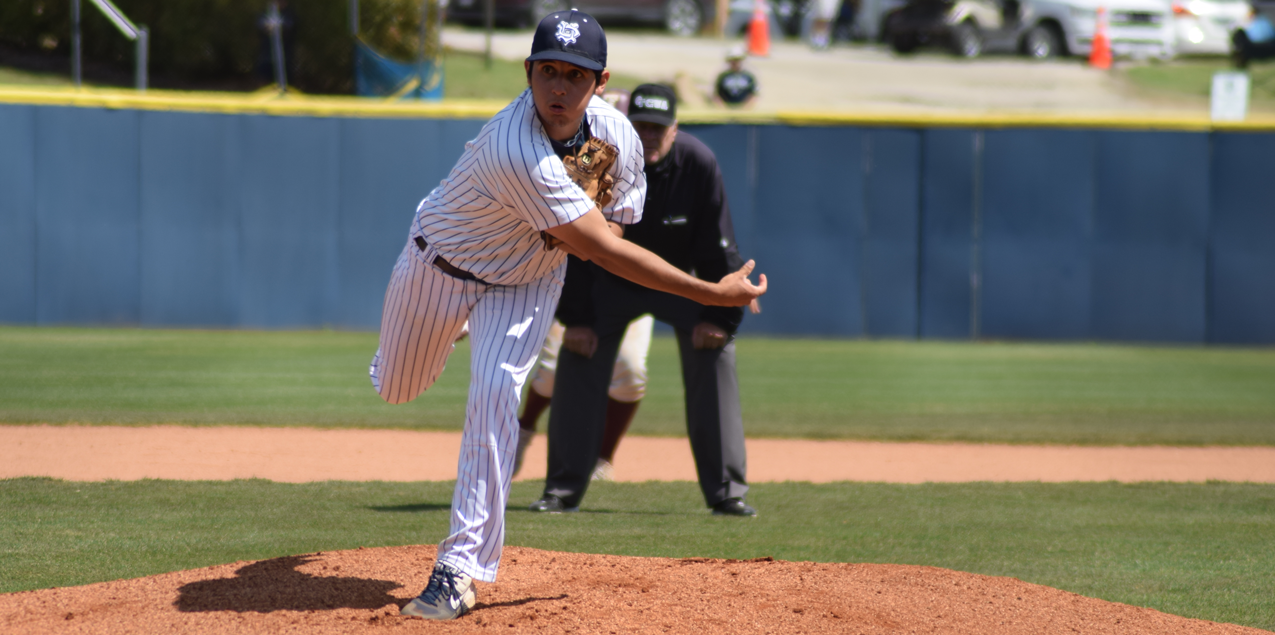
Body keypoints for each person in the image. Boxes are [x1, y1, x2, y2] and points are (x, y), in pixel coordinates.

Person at [369, 11, 767, 621]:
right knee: (398, 388)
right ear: (527, 73)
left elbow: (613, 225)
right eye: (548, 71)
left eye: (575, 76)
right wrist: (711, 294)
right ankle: (445, 332)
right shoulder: (513, 145)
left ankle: (460, 569)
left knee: (497, 394)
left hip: (525, 281)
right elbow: (604, 250)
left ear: (600, 82)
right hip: (441, 267)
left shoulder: (620, 136)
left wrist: (583, 225)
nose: (559, 87)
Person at [530, 83, 759, 518]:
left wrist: (719, 318)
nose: (649, 136)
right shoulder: (593, 156)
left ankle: (727, 491)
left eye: (659, 127)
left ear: (675, 129)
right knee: (578, 350)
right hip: (604, 284)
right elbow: (566, 236)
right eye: (641, 126)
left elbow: (718, 247)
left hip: (677, 283)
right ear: (626, 125)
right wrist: (575, 319)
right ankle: (561, 490)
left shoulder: (698, 162)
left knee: (715, 350)